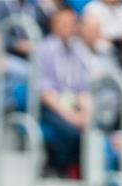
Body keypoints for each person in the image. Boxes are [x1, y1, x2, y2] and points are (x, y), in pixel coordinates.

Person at [38, 6, 91, 175]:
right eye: (64, 23)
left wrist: (85, 114)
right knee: (71, 131)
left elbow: (83, 89)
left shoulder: (79, 50)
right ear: (54, 24)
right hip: (52, 106)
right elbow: (45, 92)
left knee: (95, 128)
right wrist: (72, 117)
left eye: (72, 23)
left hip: (74, 104)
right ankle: (59, 167)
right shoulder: (44, 49)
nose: (69, 27)